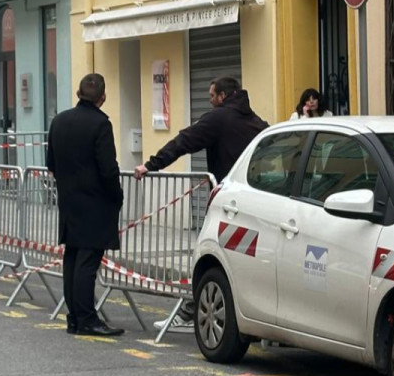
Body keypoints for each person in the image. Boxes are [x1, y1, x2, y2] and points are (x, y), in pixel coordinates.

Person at [134, 76, 268, 333]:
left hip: (227, 203)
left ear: (222, 96)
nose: (210, 102)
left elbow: (184, 141)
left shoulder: (218, 118)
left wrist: (151, 164)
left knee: (209, 256)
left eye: (211, 97)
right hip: (256, 202)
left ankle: (192, 311)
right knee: (238, 259)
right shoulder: (257, 122)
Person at [47, 73, 125, 337]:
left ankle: (74, 318)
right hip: (95, 202)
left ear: (79, 93)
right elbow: (108, 168)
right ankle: (87, 319)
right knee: (87, 262)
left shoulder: (59, 121)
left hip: (69, 200)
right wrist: (117, 196)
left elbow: (51, 164)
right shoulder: (101, 124)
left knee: (72, 258)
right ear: (102, 97)